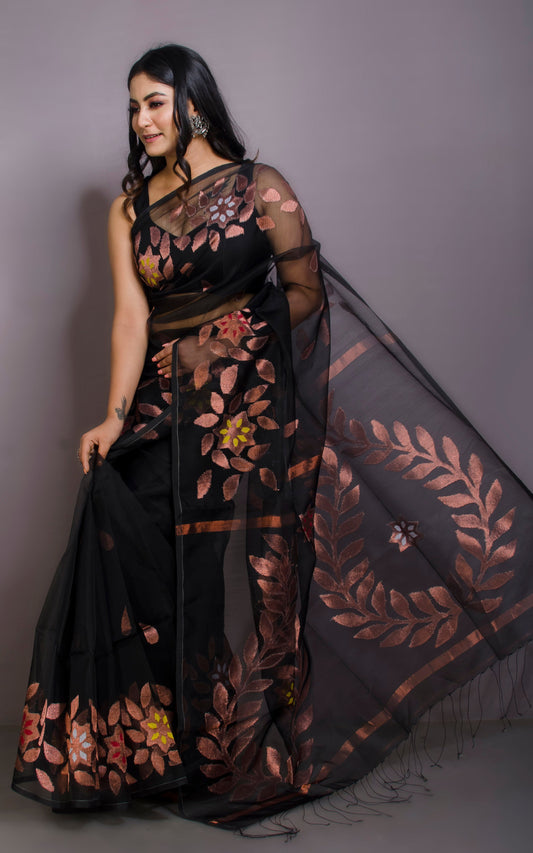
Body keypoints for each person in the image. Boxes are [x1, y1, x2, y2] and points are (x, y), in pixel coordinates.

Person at [11, 44, 533, 837]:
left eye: (153, 102)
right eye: (133, 106)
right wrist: (115, 414)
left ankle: (220, 752)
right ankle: (153, 750)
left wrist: (227, 341)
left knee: (227, 567)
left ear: (192, 103)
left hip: (243, 408)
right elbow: (130, 320)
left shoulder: (261, 187)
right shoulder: (131, 209)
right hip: (163, 404)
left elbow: (303, 292)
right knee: (137, 551)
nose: (140, 119)